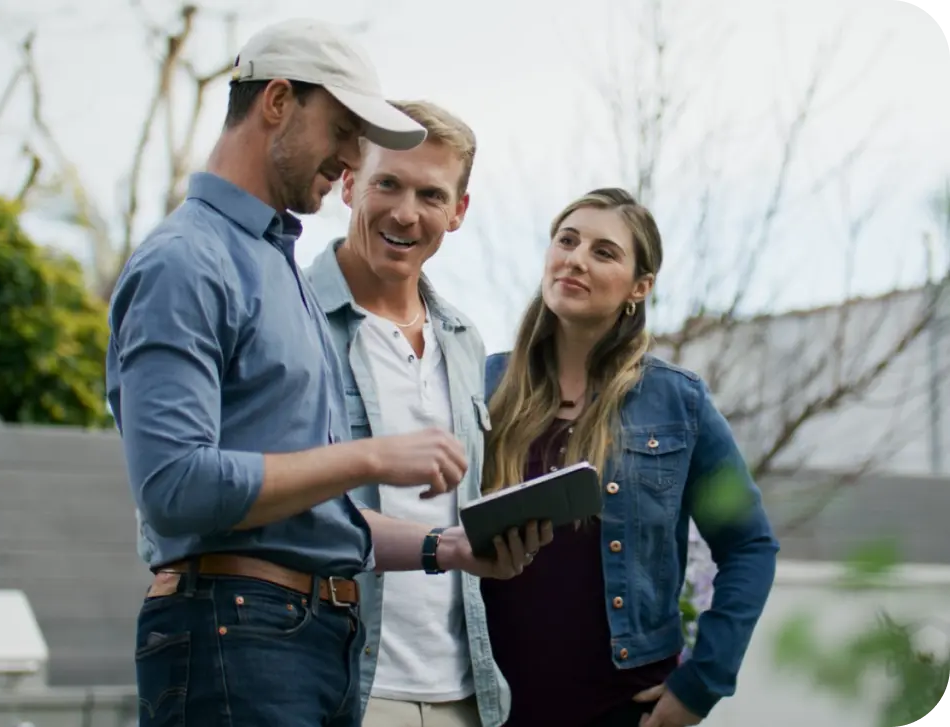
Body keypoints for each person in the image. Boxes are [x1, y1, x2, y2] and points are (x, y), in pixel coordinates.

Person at [110, 18, 539, 727]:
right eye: (342, 131)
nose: (348, 159)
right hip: (234, 635)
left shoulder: (273, 268)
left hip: (306, 643)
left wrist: (444, 547)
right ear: (277, 101)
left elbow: (305, 517)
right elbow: (174, 487)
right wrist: (370, 455)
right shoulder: (185, 261)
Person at [480, 188, 779, 727]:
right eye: (566, 241)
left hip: (623, 707)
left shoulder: (678, 402)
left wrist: (702, 682)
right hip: (489, 700)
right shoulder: (481, 387)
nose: (575, 258)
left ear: (639, 288)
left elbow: (750, 545)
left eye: (604, 251)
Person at [306, 100, 544, 727]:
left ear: (458, 211)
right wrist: (443, 546)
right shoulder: (292, 318)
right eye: (388, 183)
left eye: (431, 194)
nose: (406, 213)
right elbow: (287, 504)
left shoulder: (464, 340)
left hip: (463, 691)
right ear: (351, 182)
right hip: (342, 683)